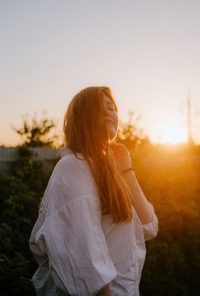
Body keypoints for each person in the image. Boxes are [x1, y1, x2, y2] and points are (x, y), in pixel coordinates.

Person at [29, 86, 158, 296]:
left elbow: (148, 226)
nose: (110, 112)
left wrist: (126, 169)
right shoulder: (72, 167)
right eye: (102, 107)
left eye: (113, 108)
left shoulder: (109, 171)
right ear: (83, 117)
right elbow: (84, 259)